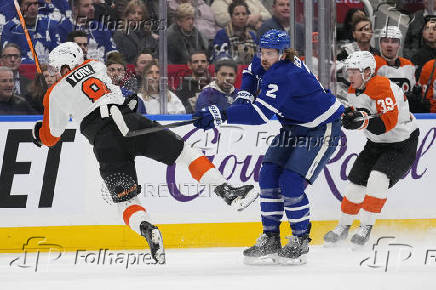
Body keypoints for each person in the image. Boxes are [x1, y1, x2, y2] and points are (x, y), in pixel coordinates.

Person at [31, 42, 258, 264]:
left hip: (104, 142)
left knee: (126, 200)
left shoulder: (54, 93)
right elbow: (117, 92)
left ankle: (146, 228)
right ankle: (227, 191)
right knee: (185, 153)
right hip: (131, 123)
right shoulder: (96, 65)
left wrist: (38, 132)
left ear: (61, 66)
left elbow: (51, 136)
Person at [193, 30, 344, 265]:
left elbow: (259, 115)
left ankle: (300, 239)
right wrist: (244, 94)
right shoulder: (269, 59)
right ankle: (271, 237)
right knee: (268, 176)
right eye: (262, 51)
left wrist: (219, 114)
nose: (264, 57)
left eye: (270, 53)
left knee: (291, 182)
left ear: (283, 54)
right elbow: (251, 72)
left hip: (320, 129)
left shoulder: (286, 73)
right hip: (293, 128)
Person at [323, 51, 419, 247]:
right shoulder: (353, 90)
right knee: (355, 182)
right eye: (348, 71)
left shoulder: (382, 87)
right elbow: (361, 114)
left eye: (354, 72)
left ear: (367, 72)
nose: (350, 76)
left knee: (378, 179)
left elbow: (386, 123)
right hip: (376, 143)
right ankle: (343, 226)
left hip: (401, 143)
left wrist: (359, 122)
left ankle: (366, 227)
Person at [112, 0, 158, 64]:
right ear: (127, 15)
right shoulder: (119, 35)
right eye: (133, 13)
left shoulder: (149, 35)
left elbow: (155, 57)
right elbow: (118, 61)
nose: (136, 16)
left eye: (139, 13)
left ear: (143, 16)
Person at [212, 0, 257, 65]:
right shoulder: (222, 34)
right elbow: (219, 59)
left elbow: (258, 58)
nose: (241, 17)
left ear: (248, 16)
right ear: (231, 16)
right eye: (237, 14)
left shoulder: (252, 35)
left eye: (244, 14)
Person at [374, 26, 416, 94]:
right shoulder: (372, 63)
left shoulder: (408, 64)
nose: (389, 45)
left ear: (399, 45)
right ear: (380, 44)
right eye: (385, 41)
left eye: (394, 42)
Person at [411, 16, 436, 80]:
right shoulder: (417, 57)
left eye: (434, 29)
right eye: (427, 28)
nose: (431, 32)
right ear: (422, 32)